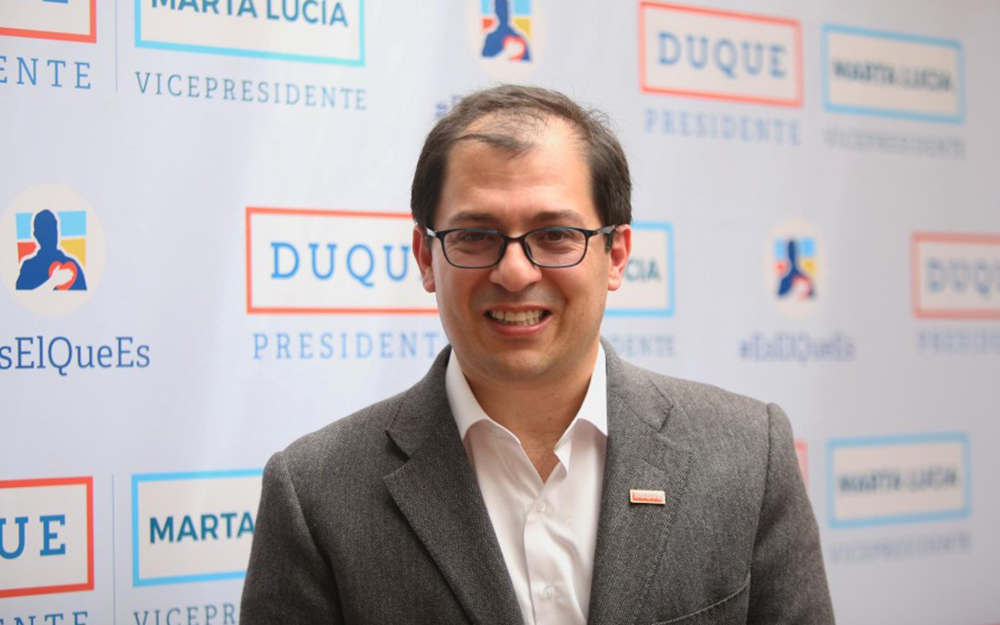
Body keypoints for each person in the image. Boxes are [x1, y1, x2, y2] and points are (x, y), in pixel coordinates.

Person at [241, 85, 835, 624]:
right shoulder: (316, 494)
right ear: (426, 259)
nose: (515, 272)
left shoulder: (748, 457)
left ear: (616, 256)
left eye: (555, 235)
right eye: (476, 236)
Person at [16, 210, 87, 291]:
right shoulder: (28, 266)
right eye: (45, 231)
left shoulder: (72, 265)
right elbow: (20, 295)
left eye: (53, 229)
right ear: (36, 235)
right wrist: (53, 282)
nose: (51, 235)